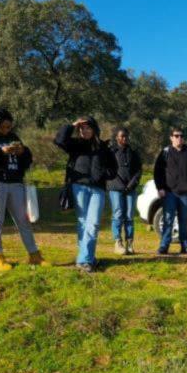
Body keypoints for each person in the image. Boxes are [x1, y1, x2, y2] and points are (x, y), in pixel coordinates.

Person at [0, 107, 49, 272]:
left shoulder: (13, 138)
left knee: (23, 220)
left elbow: (27, 160)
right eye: (3, 127)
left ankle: (34, 255)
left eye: (9, 126)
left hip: (15, 182)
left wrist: (23, 152)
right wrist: (0, 151)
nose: (6, 129)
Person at [54, 116, 117, 272]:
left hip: (98, 189)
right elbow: (59, 140)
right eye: (82, 128)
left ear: (94, 129)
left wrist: (103, 174)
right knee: (83, 223)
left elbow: (113, 168)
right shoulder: (75, 144)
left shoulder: (104, 147)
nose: (85, 131)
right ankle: (88, 258)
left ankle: (84, 259)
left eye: (88, 128)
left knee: (93, 223)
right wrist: (72, 125)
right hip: (79, 187)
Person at [153, 127, 187, 256]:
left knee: (184, 220)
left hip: (185, 194)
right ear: (171, 138)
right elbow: (157, 172)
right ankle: (164, 246)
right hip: (169, 193)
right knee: (168, 219)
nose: (179, 138)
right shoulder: (165, 152)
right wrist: (160, 188)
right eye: (176, 136)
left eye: (181, 136)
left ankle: (185, 246)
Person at [106, 126, 142, 255]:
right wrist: (120, 184)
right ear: (117, 138)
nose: (124, 138)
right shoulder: (111, 152)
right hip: (115, 188)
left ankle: (130, 243)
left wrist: (131, 184)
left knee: (129, 216)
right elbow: (108, 170)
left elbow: (138, 170)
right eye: (122, 136)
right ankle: (118, 242)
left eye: (126, 136)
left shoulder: (133, 152)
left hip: (130, 189)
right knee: (118, 214)